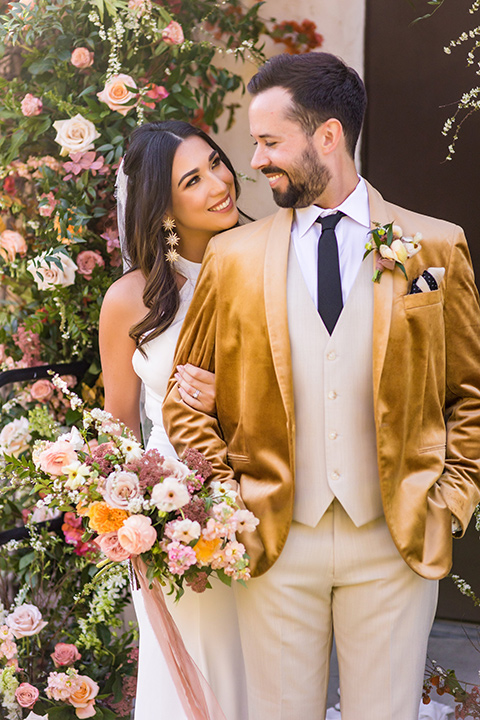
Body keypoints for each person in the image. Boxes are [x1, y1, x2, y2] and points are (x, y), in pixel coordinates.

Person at [163, 52, 480, 720]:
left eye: (271, 142)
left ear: (328, 137)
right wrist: (230, 500)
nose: (254, 161)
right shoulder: (233, 257)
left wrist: (447, 501)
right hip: (274, 541)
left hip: (394, 541)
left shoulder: (435, 247)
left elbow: (469, 395)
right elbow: (185, 402)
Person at [99, 120, 248, 720]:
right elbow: (118, 428)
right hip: (179, 522)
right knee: (193, 682)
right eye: (194, 179)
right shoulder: (130, 299)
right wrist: (134, 519)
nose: (220, 183)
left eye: (216, 163)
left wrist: (230, 397)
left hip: (269, 502)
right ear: (163, 208)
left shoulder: (267, 260)